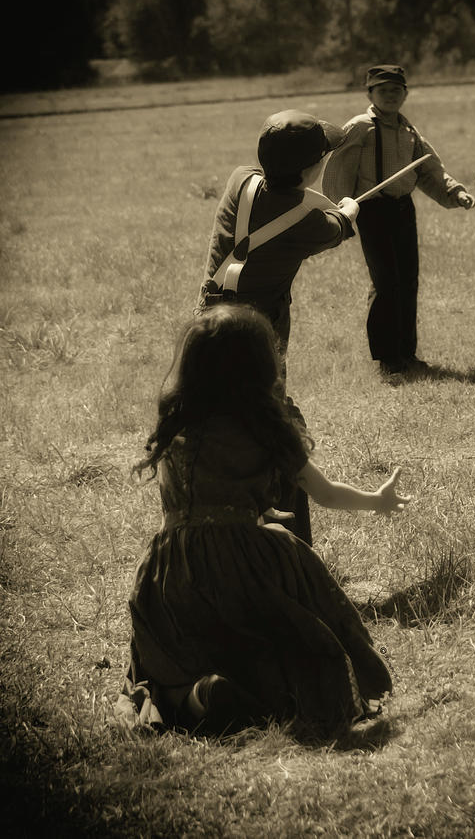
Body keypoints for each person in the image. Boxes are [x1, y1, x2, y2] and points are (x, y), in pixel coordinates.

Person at [116, 305, 410, 740]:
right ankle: (256, 692)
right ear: (261, 368)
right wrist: (375, 500)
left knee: (169, 658)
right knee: (286, 633)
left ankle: (196, 696)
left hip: (170, 572)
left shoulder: (178, 428)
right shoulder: (267, 432)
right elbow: (326, 494)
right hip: (242, 570)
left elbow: (182, 512)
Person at [198, 109, 360, 545]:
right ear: (311, 168)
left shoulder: (239, 179)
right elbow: (337, 225)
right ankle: (290, 549)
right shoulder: (308, 224)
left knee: (217, 423)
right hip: (256, 339)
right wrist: (348, 207)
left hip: (207, 325)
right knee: (273, 429)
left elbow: (275, 193)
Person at [322, 64, 475, 377]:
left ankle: (408, 353)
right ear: (369, 93)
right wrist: (341, 212)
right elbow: (339, 171)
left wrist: (455, 193)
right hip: (374, 211)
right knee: (385, 282)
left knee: (407, 282)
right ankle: (387, 358)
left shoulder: (409, 132)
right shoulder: (359, 128)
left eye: (396, 90)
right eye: (383, 90)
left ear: (405, 93)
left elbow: (430, 169)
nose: (390, 96)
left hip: (403, 210)